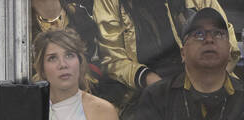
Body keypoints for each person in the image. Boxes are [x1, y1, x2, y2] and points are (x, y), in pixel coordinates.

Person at [124, 8, 244, 120]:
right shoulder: (157, 97)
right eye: (199, 34)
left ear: (230, 50)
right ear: (183, 53)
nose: (209, 39)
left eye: (218, 34)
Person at [94, 0, 238, 101]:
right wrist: (150, 79)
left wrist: (208, 81)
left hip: (206, 77)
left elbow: (227, 42)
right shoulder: (110, 3)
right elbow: (112, 59)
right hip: (144, 89)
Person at [35, 28, 120, 120]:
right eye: (52, 58)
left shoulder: (104, 110)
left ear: (80, 62)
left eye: (69, 55)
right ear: (42, 68)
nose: (63, 65)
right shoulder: (28, 110)